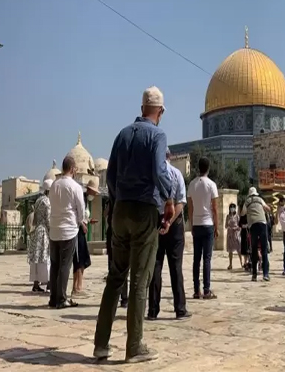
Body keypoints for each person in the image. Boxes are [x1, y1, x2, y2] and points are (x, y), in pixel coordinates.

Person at [94, 86, 174, 364]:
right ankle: (134, 345)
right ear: (160, 111)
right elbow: (158, 170)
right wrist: (169, 198)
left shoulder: (123, 134)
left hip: (120, 211)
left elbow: (111, 176)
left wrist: (115, 204)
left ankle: (101, 344)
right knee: (140, 280)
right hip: (143, 212)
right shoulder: (158, 135)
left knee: (115, 279)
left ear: (142, 108)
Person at [148, 148, 190, 320]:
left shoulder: (152, 175)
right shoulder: (176, 174)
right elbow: (180, 203)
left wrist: (160, 222)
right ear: (170, 157)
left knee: (155, 266)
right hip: (175, 225)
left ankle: (152, 309)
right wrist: (169, 222)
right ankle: (180, 309)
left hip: (156, 223)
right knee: (175, 267)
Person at [48, 156, 86, 309]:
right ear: (72, 169)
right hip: (69, 230)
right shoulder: (74, 186)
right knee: (65, 265)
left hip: (54, 229)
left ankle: (53, 298)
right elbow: (81, 208)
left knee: (55, 264)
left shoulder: (54, 185)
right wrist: (80, 221)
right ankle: (62, 298)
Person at [188, 156, 219, 300]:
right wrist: (217, 226)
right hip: (208, 224)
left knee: (196, 258)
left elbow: (190, 207)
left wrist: (192, 225)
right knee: (207, 258)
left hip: (197, 223)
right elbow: (215, 208)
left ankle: (196, 290)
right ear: (208, 168)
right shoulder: (211, 185)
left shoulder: (192, 185)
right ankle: (206, 290)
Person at [72, 178, 98, 296]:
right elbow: (77, 215)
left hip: (82, 230)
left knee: (83, 259)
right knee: (79, 259)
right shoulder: (81, 198)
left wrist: (88, 221)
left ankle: (79, 286)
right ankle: (76, 288)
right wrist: (82, 224)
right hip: (78, 231)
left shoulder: (87, 201)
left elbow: (83, 216)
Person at [241, 187, 271, 282]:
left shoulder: (247, 201)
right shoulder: (260, 199)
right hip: (262, 223)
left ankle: (254, 274)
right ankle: (265, 274)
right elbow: (267, 208)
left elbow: (242, 213)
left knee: (254, 250)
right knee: (264, 249)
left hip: (253, 225)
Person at [28, 179, 53, 293]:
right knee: (45, 256)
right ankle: (48, 283)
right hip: (43, 232)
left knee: (36, 258)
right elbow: (48, 219)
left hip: (36, 230)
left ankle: (36, 283)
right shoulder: (47, 202)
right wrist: (51, 230)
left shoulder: (38, 200)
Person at [104, 199, 128, 307]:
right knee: (123, 265)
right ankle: (124, 298)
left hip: (113, 232)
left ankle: (113, 297)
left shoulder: (112, 199)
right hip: (122, 232)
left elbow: (105, 213)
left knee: (113, 266)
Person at [225, 203, 242, 270]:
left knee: (239, 249)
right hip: (230, 235)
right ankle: (230, 264)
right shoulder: (228, 216)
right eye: (231, 207)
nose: (232, 209)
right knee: (230, 251)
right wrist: (229, 227)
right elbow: (226, 225)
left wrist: (236, 228)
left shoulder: (237, 216)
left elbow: (240, 226)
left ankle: (242, 263)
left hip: (236, 234)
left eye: (233, 207)